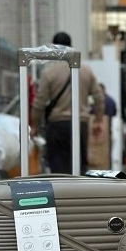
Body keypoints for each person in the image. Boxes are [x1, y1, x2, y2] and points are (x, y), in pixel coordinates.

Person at [30, 31, 104, 174]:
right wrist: (98, 120)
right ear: (71, 46)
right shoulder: (85, 70)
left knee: (58, 168)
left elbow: (39, 102)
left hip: (57, 125)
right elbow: (98, 96)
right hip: (80, 124)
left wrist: (35, 124)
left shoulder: (49, 72)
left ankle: (61, 188)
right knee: (79, 166)